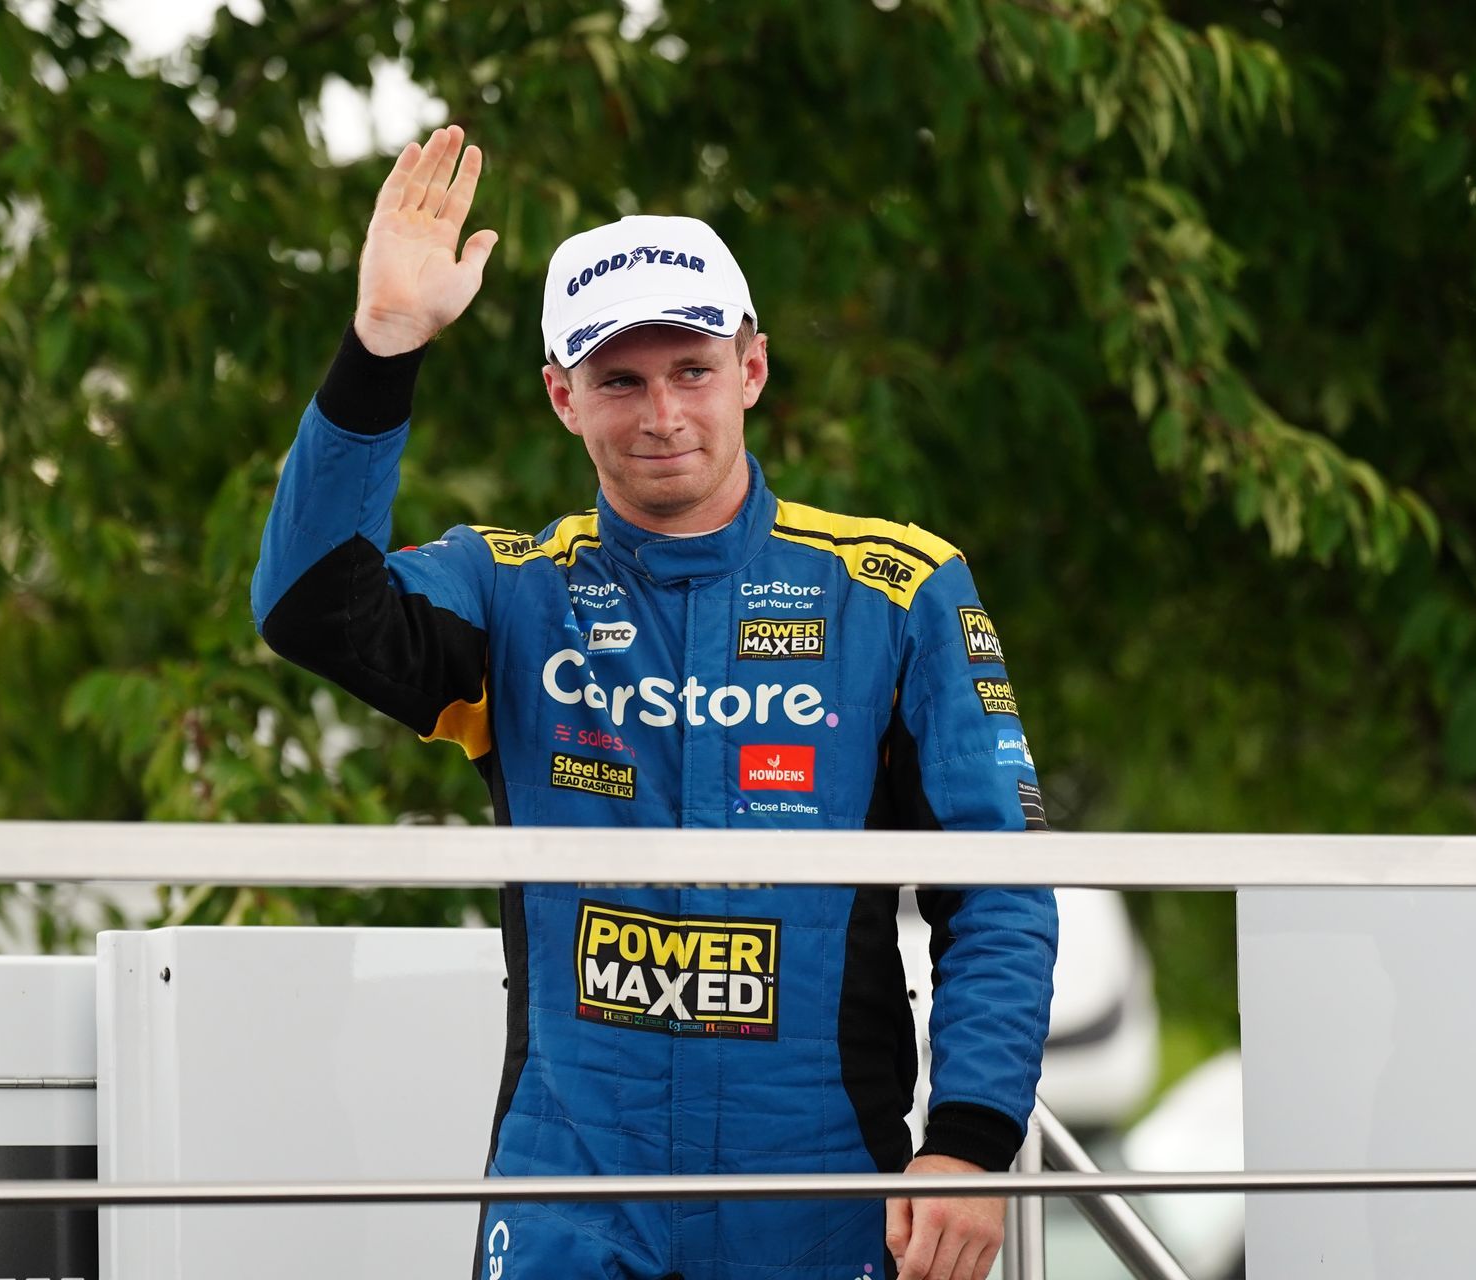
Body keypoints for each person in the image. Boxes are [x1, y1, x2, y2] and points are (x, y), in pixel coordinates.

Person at [251, 126, 1057, 1280]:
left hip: (822, 1184)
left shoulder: (897, 585)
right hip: (573, 1183)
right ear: (560, 398)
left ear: (753, 370)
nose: (662, 413)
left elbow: (1001, 885)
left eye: (691, 370)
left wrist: (974, 1145)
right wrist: (381, 345)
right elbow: (307, 606)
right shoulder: (512, 586)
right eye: (619, 380)